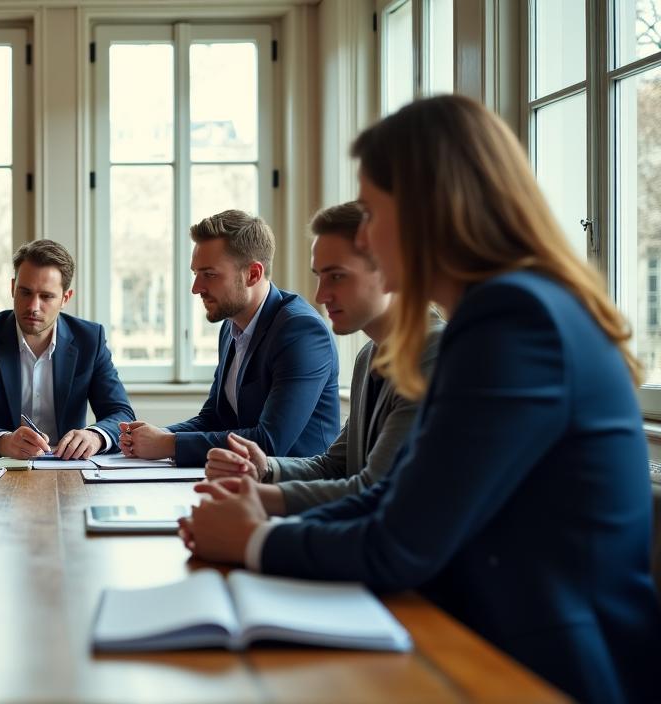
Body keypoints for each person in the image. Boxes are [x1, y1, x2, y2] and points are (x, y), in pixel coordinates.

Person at [180, 95, 661, 704]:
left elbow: (400, 542)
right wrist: (258, 514)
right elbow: (391, 499)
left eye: (373, 213)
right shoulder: (503, 315)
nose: (366, 237)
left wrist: (252, 537)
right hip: (483, 636)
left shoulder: (513, 323)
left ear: (431, 210)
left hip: (540, 669)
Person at [204, 202, 442, 515]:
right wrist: (264, 469)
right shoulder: (368, 355)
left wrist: (256, 501)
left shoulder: (435, 351)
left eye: (337, 277)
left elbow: (372, 490)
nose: (320, 295)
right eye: (319, 276)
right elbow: (336, 465)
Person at [118, 210, 340, 467]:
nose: (196, 288)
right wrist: (155, 436)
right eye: (195, 274)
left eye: (209, 274)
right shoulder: (231, 326)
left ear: (253, 274)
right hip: (244, 483)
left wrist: (168, 445)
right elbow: (214, 417)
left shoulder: (301, 331)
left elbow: (269, 442)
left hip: (298, 491)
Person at [0, 239, 135, 459]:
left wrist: (95, 436)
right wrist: (3, 441)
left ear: (65, 298)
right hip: (0, 467)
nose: (33, 307)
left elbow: (121, 414)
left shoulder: (89, 339)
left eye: (46, 296)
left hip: (69, 468)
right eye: (25, 292)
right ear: (12, 288)